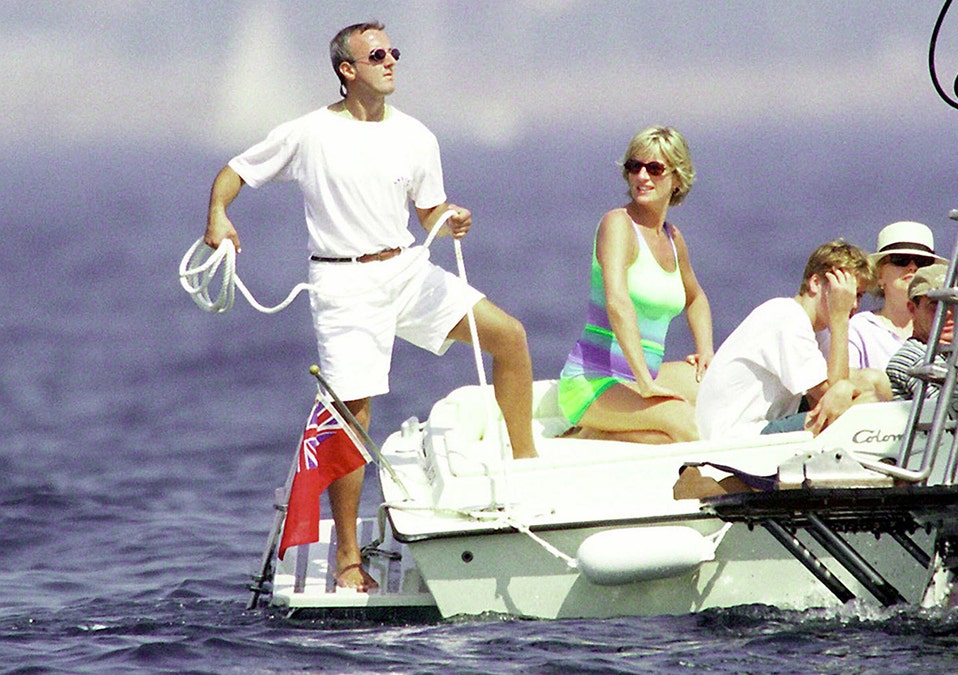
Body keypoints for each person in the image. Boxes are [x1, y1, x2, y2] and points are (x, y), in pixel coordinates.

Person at [202, 22, 537, 593]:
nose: (390, 62)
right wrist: (218, 216)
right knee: (352, 414)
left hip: (406, 269)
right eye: (377, 55)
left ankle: (527, 470)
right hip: (344, 285)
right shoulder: (308, 132)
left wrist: (448, 218)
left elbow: (428, 208)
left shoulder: (416, 136)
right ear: (347, 70)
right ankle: (349, 559)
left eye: (394, 52)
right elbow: (235, 172)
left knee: (509, 336)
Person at [557, 126, 714, 443]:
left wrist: (706, 351)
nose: (642, 176)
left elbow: (695, 298)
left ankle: (601, 431)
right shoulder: (617, 224)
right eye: (634, 167)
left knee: (722, 390)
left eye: (654, 169)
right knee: (687, 427)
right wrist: (645, 382)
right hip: (594, 381)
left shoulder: (673, 239)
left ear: (677, 178)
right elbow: (617, 301)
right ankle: (591, 436)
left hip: (642, 377)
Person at [695, 239, 890, 440]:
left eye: (858, 296)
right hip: (738, 435)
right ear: (816, 283)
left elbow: (840, 385)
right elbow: (834, 394)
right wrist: (840, 318)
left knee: (875, 380)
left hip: (766, 423)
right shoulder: (786, 317)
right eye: (845, 294)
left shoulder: (815, 329)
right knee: (862, 405)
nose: (853, 303)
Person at [823, 221, 947, 369]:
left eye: (922, 262)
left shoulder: (947, 330)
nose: (912, 267)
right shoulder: (859, 330)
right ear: (879, 275)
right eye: (901, 260)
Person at [886, 263, 958, 400]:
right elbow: (951, 411)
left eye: (954, 303)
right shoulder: (911, 358)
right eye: (935, 304)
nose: (948, 312)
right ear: (912, 309)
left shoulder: (955, 354)